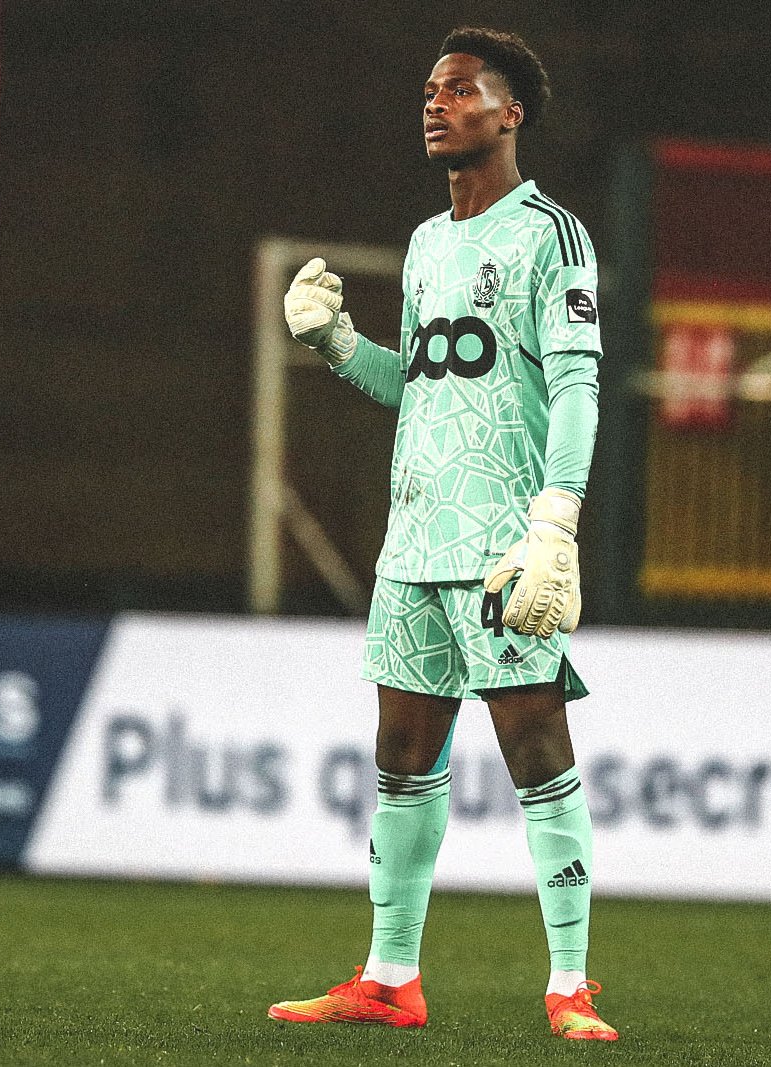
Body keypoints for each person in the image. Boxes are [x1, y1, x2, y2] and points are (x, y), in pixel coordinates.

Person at [267, 26, 616, 1042]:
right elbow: (417, 385)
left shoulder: (551, 235)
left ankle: (569, 985)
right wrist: (337, 343)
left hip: (504, 541)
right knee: (401, 757)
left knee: (535, 748)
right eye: (429, 89)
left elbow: (579, 385)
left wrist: (556, 515)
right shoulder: (426, 244)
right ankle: (389, 977)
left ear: (509, 113)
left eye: (459, 89)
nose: (435, 103)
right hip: (413, 541)